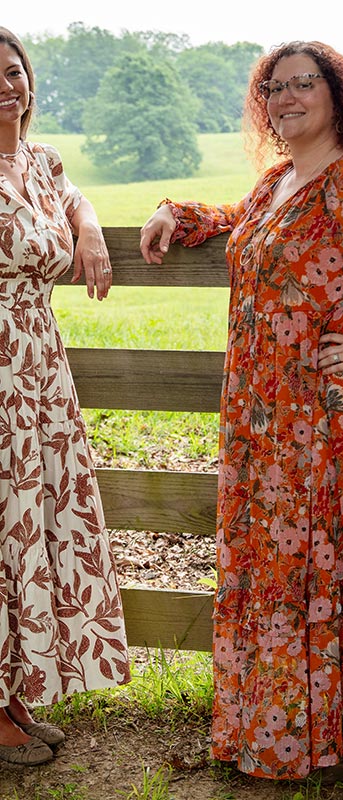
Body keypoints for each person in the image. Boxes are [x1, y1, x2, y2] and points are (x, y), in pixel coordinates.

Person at [140, 40, 343, 782]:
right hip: (270, 420)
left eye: (303, 85)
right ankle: (293, 732)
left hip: (341, 422)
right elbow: (241, 223)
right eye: (274, 88)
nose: (287, 99)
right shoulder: (276, 184)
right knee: (282, 564)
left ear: (337, 96)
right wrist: (177, 212)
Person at [0, 28, 130, 767]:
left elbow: (69, 192)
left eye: (14, 71)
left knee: (31, 520)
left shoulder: (43, 162)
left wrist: (87, 224)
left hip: (39, 372)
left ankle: (13, 691)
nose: (5, 85)